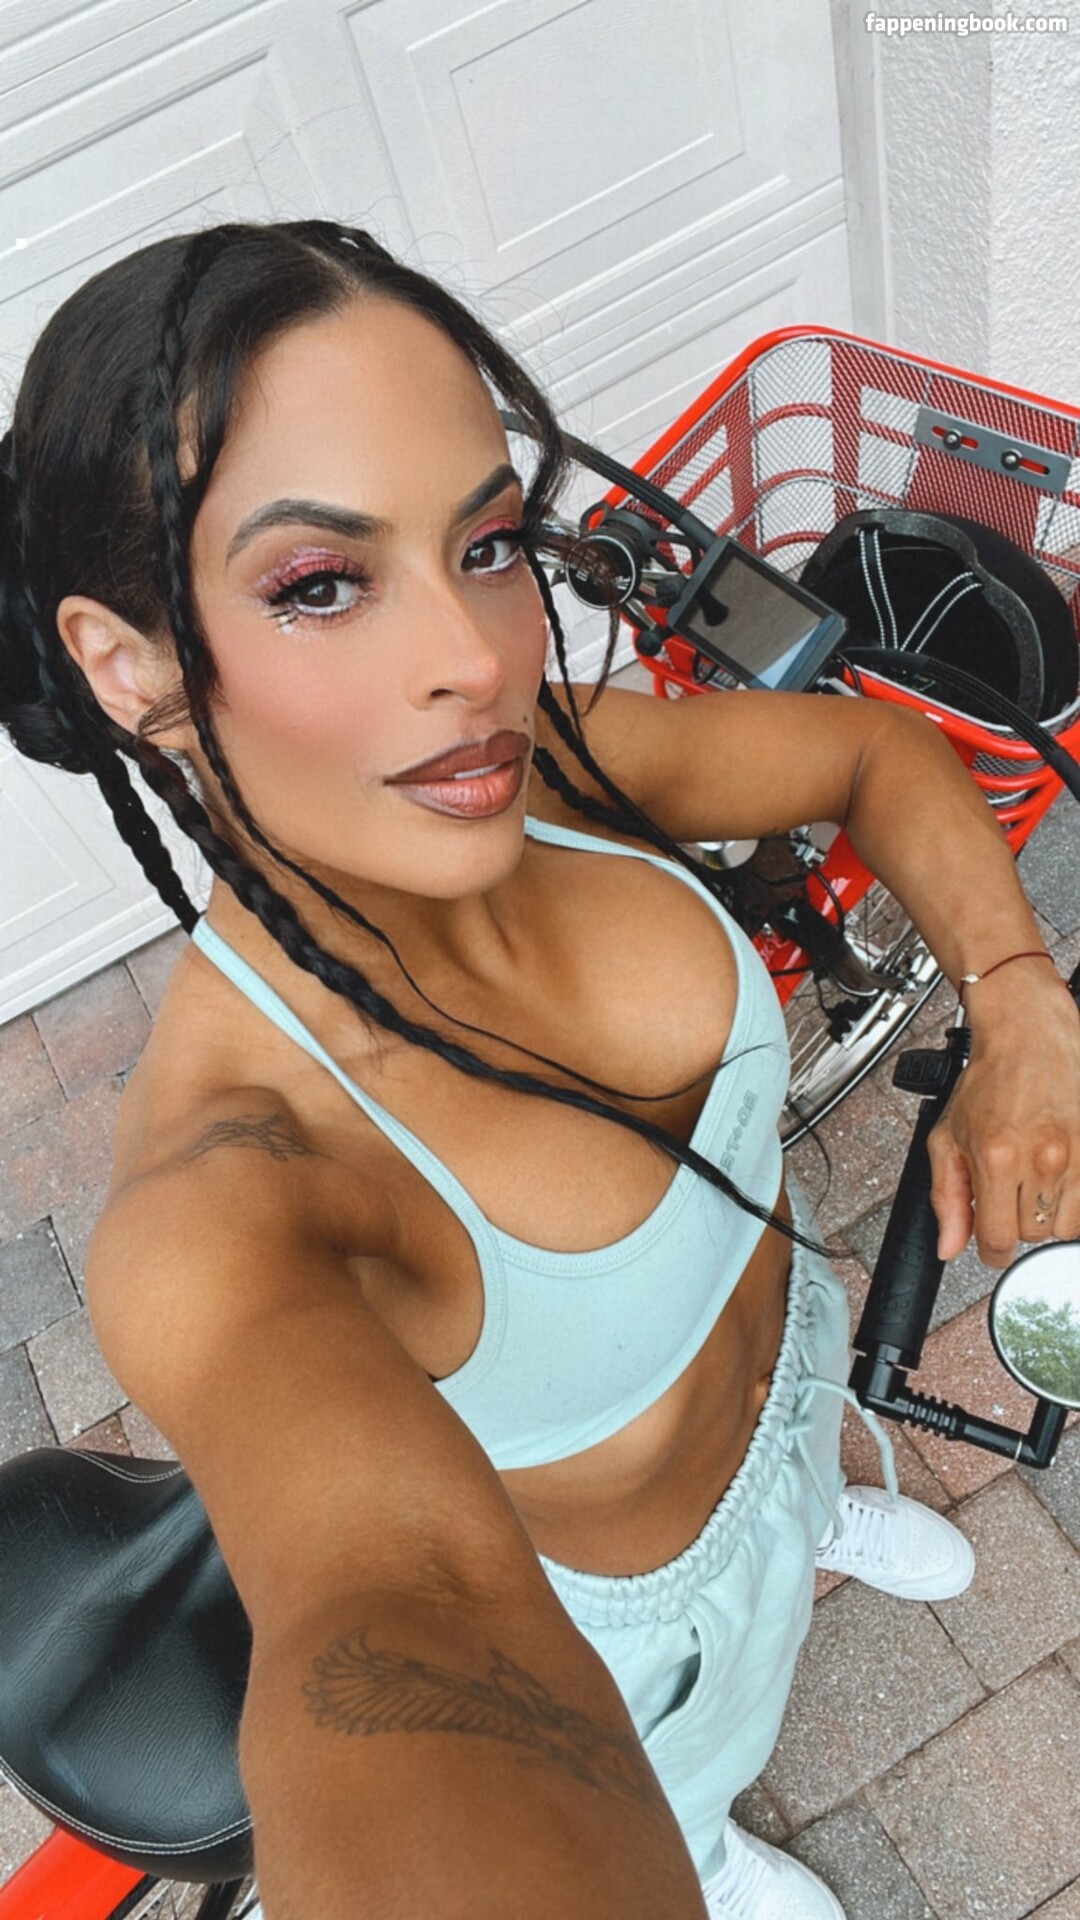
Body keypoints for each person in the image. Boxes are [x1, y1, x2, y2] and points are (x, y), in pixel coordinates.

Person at [2, 220, 1078, 1920]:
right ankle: (708, 1847)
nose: (481, 658)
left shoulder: (556, 774)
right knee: (692, 1756)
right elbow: (396, 1615)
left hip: (788, 1375)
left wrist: (1021, 999)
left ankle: (814, 1511)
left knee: (797, 1459)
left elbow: (875, 750)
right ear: (133, 665)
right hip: (634, 1615)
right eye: (321, 583)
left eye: (488, 545)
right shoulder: (234, 1194)